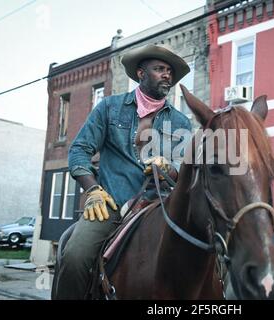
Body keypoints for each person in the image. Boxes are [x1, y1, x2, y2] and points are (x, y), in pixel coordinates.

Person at [53, 44, 192, 299]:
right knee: (74, 257)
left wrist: (168, 169)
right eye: (159, 69)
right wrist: (92, 190)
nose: (167, 76)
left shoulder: (181, 122)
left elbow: (186, 174)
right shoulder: (109, 108)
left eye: (170, 72)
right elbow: (79, 150)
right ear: (141, 73)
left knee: (210, 259)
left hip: (158, 208)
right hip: (110, 205)